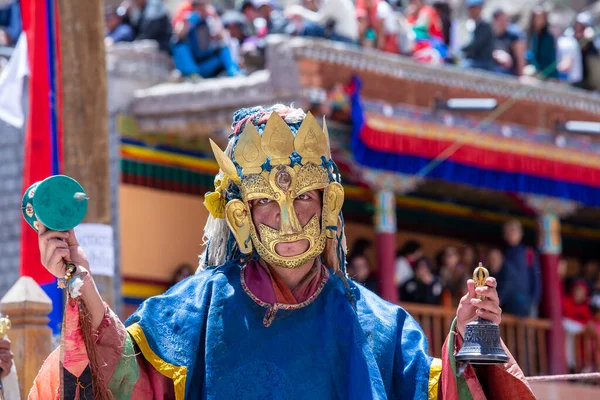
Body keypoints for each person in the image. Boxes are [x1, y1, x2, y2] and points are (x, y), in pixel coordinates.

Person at [30, 105, 534, 399]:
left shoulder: (382, 326)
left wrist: (475, 335)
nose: (288, 221)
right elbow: (122, 379)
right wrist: (81, 283)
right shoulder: (192, 311)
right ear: (240, 215)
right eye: (267, 203)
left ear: (329, 203)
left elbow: (445, 390)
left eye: (304, 198)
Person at [171, 0, 241, 78]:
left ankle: (234, 72)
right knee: (179, 44)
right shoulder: (187, 16)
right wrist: (188, 22)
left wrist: (214, 18)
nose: (200, 7)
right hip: (194, 64)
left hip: (209, 62)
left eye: (203, 5)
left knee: (223, 46)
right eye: (197, 5)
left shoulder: (210, 17)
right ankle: (192, 74)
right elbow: (177, 35)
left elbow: (222, 37)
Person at [502, 219, 541, 318]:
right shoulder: (503, 255)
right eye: (508, 231)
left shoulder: (528, 252)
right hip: (508, 303)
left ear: (521, 233)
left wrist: (534, 300)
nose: (511, 233)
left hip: (526, 301)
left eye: (513, 230)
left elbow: (536, 277)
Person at [285, 0, 358, 44]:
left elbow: (320, 21)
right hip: (346, 38)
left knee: (308, 28)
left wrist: (300, 11)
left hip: (343, 38)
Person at [562, 280, 596, 373]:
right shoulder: (566, 302)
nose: (579, 293)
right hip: (568, 338)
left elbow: (590, 325)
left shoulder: (585, 307)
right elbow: (564, 322)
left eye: (582, 291)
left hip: (582, 342)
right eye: (577, 290)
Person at [461, 0, 494, 71]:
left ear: (480, 9)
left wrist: (459, 50)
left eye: (474, 8)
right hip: (474, 61)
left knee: (464, 66)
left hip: (483, 63)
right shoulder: (471, 25)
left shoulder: (485, 26)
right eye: (470, 8)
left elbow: (474, 44)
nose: (471, 11)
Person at [525, 6, 557, 80]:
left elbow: (550, 58)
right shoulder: (528, 34)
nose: (539, 20)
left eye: (541, 17)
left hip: (545, 73)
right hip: (530, 69)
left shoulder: (548, 37)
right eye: (537, 17)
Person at [492, 9, 525, 76]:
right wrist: (497, 55)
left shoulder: (514, 36)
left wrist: (521, 75)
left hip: (510, 72)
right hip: (493, 67)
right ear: (494, 21)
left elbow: (520, 58)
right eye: (501, 20)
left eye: (506, 20)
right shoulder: (490, 35)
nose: (504, 23)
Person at [573, 12, 599, 91]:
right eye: (577, 26)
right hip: (575, 85)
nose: (578, 30)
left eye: (582, 28)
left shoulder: (595, 46)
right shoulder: (570, 42)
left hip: (592, 87)